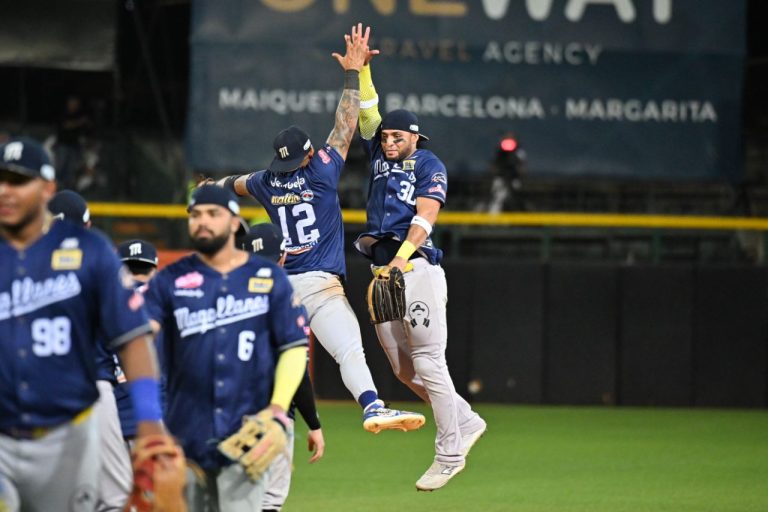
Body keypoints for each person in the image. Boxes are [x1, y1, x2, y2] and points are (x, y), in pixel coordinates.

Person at [211, 23, 425, 434]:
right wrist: (352, 73)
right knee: (348, 351)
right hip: (321, 287)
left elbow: (231, 184)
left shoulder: (265, 181)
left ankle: (241, 417)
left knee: (260, 357)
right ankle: (372, 406)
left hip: (277, 286)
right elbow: (346, 124)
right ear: (309, 154)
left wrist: (207, 189)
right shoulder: (323, 170)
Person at [0, 137, 167, 510]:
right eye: (2, 180)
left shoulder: (93, 255)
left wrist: (150, 420)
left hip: (79, 407)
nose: (6, 190)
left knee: (108, 500)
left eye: (18, 180)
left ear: (46, 189)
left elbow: (134, 339)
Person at [355, 59, 488, 491]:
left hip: (415, 267)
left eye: (399, 136)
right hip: (383, 271)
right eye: (387, 136)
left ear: (415, 137)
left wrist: (400, 259)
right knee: (403, 370)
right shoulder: (377, 153)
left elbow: (426, 215)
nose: (390, 140)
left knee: (430, 360)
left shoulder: (430, 163)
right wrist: (361, 72)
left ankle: (449, 453)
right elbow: (369, 111)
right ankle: (466, 421)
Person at [143, 185, 309, 510]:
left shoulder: (269, 277)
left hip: (244, 434)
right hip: (183, 439)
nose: (202, 221)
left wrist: (277, 410)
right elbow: (138, 342)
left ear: (234, 223)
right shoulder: (168, 280)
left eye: (213, 214)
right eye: (196, 214)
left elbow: (293, 346)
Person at [237, 223, 325, 512]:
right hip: (272, 416)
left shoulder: (224, 295)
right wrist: (313, 423)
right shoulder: (286, 300)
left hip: (225, 414)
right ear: (284, 257)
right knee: (268, 501)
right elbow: (296, 371)